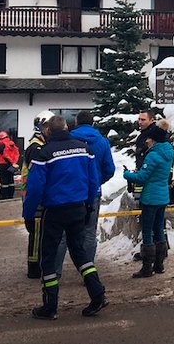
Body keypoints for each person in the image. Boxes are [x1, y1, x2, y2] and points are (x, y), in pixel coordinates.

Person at [22, 115, 106, 319]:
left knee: (48, 258)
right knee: (79, 253)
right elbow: (93, 181)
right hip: (78, 208)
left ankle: (50, 306)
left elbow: (35, 188)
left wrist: (28, 212)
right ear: (67, 128)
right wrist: (87, 205)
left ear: (48, 131)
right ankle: (97, 294)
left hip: (56, 210)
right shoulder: (84, 149)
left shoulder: (45, 153)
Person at [58, 111, 115, 268]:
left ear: (76, 123)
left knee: (63, 233)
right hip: (92, 193)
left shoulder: (68, 139)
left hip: (69, 193)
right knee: (90, 232)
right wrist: (95, 181)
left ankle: (55, 272)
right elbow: (109, 168)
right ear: (93, 123)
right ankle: (88, 270)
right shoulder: (102, 142)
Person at [123, 124, 174, 278]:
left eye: (149, 138)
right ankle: (159, 264)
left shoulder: (152, 156)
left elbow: (142, 178)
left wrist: (127, 175)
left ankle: (147, 267)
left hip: (150, 198)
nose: (146, 141)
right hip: (162, 197)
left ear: (154, 140)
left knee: (146, 231)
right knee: (159, 230)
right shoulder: (168, 152)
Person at [24, 110, 54, 279]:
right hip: (36, 198)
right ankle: (34, 268)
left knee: (39, 234)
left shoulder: (37, 145)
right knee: (36, 236)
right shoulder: (36, 148)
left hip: (36, 196)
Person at [0, 130, 20, 200]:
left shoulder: (2, 145)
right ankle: (10, 194)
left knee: (4, 181)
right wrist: (13, 162)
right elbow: (17, 153)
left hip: (3, 164)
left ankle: (4, 195)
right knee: (10, 180)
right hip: (12, 164)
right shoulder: (12, 144)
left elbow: (3, 155)